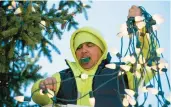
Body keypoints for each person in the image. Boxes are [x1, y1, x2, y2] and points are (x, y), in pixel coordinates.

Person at [31, 5, 151, 107]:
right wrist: (41, 87)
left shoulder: (120, 72)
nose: (83, 50)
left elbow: (148, 61)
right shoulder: (62, 77)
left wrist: (140, 25)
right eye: (79, 48)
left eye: (89, 45)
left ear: (101, 49)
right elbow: (40, 99)